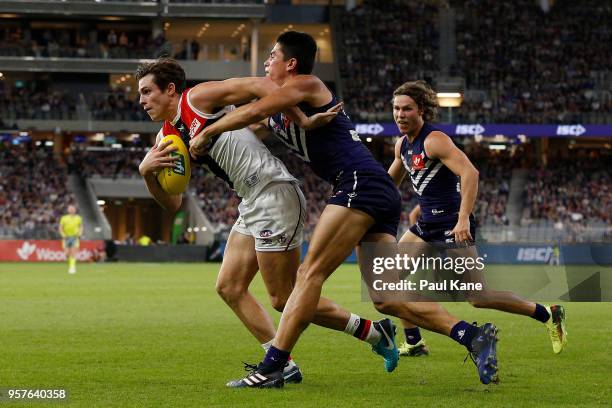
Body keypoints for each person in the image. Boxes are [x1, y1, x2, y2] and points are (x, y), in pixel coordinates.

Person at [191, 32, 500, 387]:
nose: (266, 62)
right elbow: (254, 123)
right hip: (376, 189)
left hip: (358, 184)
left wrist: (208, 129)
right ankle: (472, 336)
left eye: (273, 55)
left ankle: (274, 365)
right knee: (385, 298)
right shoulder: (286, 106)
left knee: (308, 276)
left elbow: (256, 110)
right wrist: (201, 142)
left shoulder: (306, 83)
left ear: (290, 63)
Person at [136, 58, 398, 385]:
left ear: (170, 89)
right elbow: (173, 203)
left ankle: (371, 334)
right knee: (229, 287)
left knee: (284, 298)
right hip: (251, 201)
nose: (142, 100)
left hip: (272, 191)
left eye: (147, 92)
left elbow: (263, 87)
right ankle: (288, 362)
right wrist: (147, 174)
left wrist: (301, 118)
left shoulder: (197, 98)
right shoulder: (167, 138)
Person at [387, 80, 567, 356]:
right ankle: (414, 341)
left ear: (421, 110)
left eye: (407, 109)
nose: (400, 114)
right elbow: (389, 185)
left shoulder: (435, 140)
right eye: (396, 109)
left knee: (478, 297)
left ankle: (548, 314)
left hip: (451, 226)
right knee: (388, 278)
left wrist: (463, 220)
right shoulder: (402, 145)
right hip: (425, 227)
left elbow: (470, 173)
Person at [59, 204, 82, 274]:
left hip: (74, 237)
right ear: (68, 210)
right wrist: (63, 234)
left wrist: (79, 233)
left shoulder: (78, 218)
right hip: (66, 237)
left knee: (73, 252)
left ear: (75, 210)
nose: (72, 210)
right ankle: (70, 264)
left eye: (73, 209)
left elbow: (81, 227)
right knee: (66, 253)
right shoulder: (64, 218)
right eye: (70, 209)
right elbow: (60, 227)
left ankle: (72, 267)